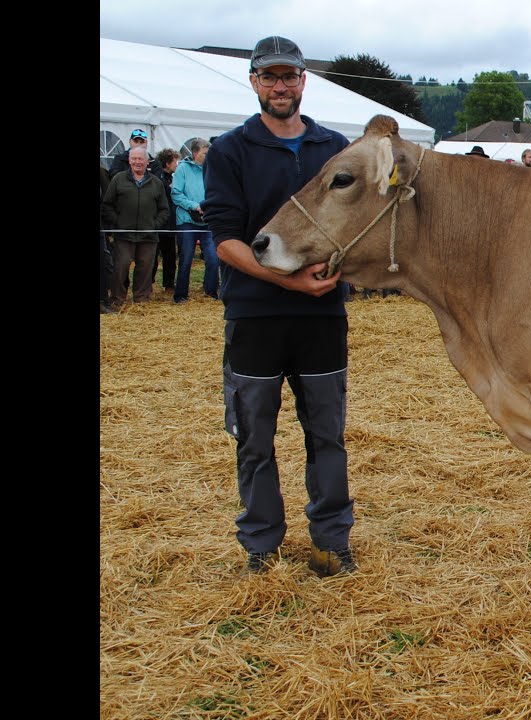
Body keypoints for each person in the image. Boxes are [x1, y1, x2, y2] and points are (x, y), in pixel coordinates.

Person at [202, 35, 356, 577]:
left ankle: (331, 543)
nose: (280, 86)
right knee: (255, 439)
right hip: (256, 317)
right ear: (254, 83)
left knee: (327, 436)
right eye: (269, 77)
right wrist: (288, 283)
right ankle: (261, 548)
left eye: (289, 76)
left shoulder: (333, 149)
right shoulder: (229, 151)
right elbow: (224, 240)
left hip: (322, 318)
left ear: (302, 80)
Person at [101, 145, 169, 308]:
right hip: (124, 234)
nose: (137, 162)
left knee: (145, 267)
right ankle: (117, 298)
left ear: (147, 162)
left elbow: (164, 209)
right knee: (120, 266)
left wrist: (154, 225)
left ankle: (141, 299)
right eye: (134, 159)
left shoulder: (156, 182)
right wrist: (118, 222)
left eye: (140, 159)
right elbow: (107, 205)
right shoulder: (118, 179)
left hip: (148, 235)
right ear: (129, 161)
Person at [171, 138, 218, 303]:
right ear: (196, 153)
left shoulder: (212, 169)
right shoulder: (182, 169)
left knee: (213, 257)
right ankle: (181, 295)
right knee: (186, 258)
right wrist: (194, 206)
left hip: (208, 221)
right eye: (206, 153)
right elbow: (176, 194)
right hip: (186, 221)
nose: (209, 156)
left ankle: (211, 291)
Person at [152, 148, 181, 293]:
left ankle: (169, 284)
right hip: (158, 223)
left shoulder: (172, 177)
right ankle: (149, 284)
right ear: (168, 162)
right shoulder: (157, 178)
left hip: (170, 224)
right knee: (153, 257)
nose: (177, 164)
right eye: (175, 161)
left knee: (170, 255)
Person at [100, 164, 117, 313]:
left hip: (101, 227)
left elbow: (106, 201)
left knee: (104, 262)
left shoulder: (102, 173)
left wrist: (109, 227)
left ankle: (103, 300)